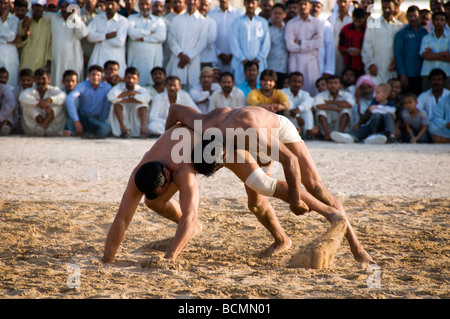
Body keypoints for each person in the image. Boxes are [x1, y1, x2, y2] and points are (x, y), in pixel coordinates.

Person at [165, 104, 374, 267]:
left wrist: (295, 201)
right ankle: (282, 240)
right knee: (256, 203)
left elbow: (290, 160)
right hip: (245, 140)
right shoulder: (202, 123)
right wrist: (166, 144)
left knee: (314, 185)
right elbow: (174, 109)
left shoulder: (247, 132)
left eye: (222, 164)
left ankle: (357, 248)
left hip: (276, 130)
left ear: (225, 155)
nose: (224, 167)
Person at [330, 83, 395, 144]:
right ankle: (348, 136)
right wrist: (385, 109)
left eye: (378, 93)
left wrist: (378, 107)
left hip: (383, 129)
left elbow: (392, 110)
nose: (375, 95)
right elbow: (373, 110)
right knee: (363, 130)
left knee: (387, 115)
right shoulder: (374, 101)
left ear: (385, 94)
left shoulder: (390, 103)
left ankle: (381, 136)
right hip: (371, 126)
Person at [166, 0, 208, 91]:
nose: (192, 2)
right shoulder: (177, 19)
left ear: (198, 3)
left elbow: (202, 43)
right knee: (176, 87)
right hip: (177, 59)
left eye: (195, 0)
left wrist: (187, 57)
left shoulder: (203, 21)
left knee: (192, 87)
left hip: (193, 60)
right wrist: (180, 55)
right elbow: (172, 39)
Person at [285, 0, 323, 96]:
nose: (303, 7)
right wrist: (309, 42)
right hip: (295, 60)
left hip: (311, 61)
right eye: (300, 4)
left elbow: (318, 42)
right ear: (297, 5)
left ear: (310, 6)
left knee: (312, 87)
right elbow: (290, 46)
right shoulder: (291, 23)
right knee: (295, 87)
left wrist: (300, 42)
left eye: (305, 4)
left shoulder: (317, 23)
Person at [361, 0, 403, 84]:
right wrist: (370, 64)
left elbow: (401, 49)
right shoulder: (372, 23)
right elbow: (366, 46)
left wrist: (396, 61)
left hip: (391, 69)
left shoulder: (399, 26)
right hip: (375, 68)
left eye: (389, 8)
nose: (386, 10)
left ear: (394, 8)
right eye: (384, 8)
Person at [229, 0, 270, 86]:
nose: (250, 5)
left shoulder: (263, 22)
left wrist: (258, 59)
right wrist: (243, 59)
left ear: (257, 4)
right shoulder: (237, 22)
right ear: (244, 4)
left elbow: (266, 43)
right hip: (240, 62)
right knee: (240, 87)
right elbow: (234, 42)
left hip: (258, 63)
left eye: (253, 3)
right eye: (248, 2)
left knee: (259, 87)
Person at [65, 64, 112, 138]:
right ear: (88, 76)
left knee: (105, 128)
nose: (95, 77)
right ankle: (71, 131)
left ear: (101, 76)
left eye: (98, 75)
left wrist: (103, 121)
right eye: (93, 75)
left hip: (95, 119)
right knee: (73, 107)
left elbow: (106, 107)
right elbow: (70, 98)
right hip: (81, 117)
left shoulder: (107, 88)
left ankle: (89, 135)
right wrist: (77, 122)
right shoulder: (82, 86)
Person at [127, 0, 167, 86]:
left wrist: (142, 38)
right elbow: (131, 33)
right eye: (142, 4)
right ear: (138, 5)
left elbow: (161, 36)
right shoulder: (132, 18)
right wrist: (149, 32)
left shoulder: (158, 21)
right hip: (136, 57)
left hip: (153, 58)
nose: (144, 7)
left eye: (147, 4)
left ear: (151, 5)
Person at [50, 0, 89, 89]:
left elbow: (83, 33)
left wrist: (75, 16)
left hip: (73, 60)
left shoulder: (76, 20)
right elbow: (41, 13)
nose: (64, 9)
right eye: (62, 7)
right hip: (58, 60)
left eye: (67, 6)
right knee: (58, 83)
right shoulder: (55, 19)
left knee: (74, 83)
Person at [19, 68, 67, 136]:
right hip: (34, 128)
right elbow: (22, 97)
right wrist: (39, 103)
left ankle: (44, 125)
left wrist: (49, 100)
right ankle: (41, 127)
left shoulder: (54, 89)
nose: (41, 81)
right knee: (27, 105)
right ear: (34, 80)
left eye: (43, 79)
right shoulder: (30, 91)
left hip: (52, 127)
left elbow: (63, 96)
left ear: (48, 80)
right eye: (38, 79)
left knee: (59, 106)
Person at [87, 0, 128, 78]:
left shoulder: (123, 21)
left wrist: (99, 40)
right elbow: (90, 37)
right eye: (108, 4)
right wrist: (106, 36)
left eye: (112, 4)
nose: (109, 7)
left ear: (118, 6)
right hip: (98, 58)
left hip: (116, 58)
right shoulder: (98, 18)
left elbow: (119, 41)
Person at [107, 67, 151, 138]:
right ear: (124, 78)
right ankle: (123, 130)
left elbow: (146, 99)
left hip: (135, 116)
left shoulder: (141, 89)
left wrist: (130, 96)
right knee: (116, 104)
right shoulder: (117, 87)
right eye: (128, 78)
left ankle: (143, 130)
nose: (130, 80)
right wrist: (129, 93)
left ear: (138, 80)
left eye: (133, 78)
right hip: (122, 115)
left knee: (143, 105)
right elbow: (111, 97)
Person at [394, 5, 429, 96]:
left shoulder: (425, 33)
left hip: (422, 73)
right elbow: (399, 55)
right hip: (408, 74)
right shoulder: (402, 34)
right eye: (410, 16)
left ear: (419, 16)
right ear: (407, 17)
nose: (412, 18)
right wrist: (402, 74)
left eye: (415, 16)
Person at [314, 75, 354, 140]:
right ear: (327, 85)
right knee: (321, 111)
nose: (333, 85)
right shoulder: (321, 95)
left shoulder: (346, 94)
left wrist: (329, 102)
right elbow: (318, 105)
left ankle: (340, 134)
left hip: (339, 124)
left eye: (335, 83)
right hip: (328, 124)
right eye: (330, 83)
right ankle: (326, 134)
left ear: (340, 85)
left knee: (346, 110)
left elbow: (349, 104)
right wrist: (336, 108)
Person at [207, 0, 243, 73]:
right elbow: (209, 38)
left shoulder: (238, 14)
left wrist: (233, 53)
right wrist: (219, 53)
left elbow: (241, 37)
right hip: (216, 57)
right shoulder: (211, 14)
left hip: (235, 57)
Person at [18, 0, 52, 74]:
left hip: (42, 62)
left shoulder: (48, 25)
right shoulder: (23, 23)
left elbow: (49, 44)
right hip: (26, 62)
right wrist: (25, 35)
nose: (38, 9)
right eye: (36, 6)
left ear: (44, 8)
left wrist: (49, 60)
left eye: (40, 7)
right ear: (32, 7)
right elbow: (18, 44)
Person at [419, 11, 450, 90]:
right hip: (428, 74)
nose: (439, 22)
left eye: (442, 20)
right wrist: (444, 53)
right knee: (427, 98)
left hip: (446, 74)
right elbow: (426, 56)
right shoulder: (426, 38)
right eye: (437, 20)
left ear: (445, 22)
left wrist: (432, 55)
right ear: (432, 21)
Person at [282, 71, 317, 139]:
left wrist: (298, 110)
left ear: (302, 84)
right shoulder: (282, 92)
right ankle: (296, 132)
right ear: (289, 82)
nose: (296, 84)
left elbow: (308, 104)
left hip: (300, 119)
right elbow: (289, 107)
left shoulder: (305, 94)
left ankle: (308, 132)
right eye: (294, 81)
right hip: (289, 118)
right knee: (287, 111)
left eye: (299, 82)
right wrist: (298, 116)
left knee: (307, 110)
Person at [310, 0, 335, 78]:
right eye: (313, 6)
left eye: (318, 7)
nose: (315, 9)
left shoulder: (326, 25)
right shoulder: (300, 23)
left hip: (320, 66)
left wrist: (328, 70)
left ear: (321, 9)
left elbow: (330, 48)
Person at [338, 8, 366, 77]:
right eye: (355, 20)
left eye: (359, 20)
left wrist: (360, 51)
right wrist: (346, 50)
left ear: (364, 19)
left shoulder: (368, 30)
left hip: (363, 64)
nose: (357, 22)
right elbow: (340, 45)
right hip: (349, 63)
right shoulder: (345, 29)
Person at [328, 0, 353, 77]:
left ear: (349, 2)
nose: (342, 4)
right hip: (333, 54)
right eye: (340, 2)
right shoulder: (331, 18)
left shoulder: (352, 19)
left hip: (349, 55)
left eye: (345, 2)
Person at [267, 3, 289, 89]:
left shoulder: (287, 28)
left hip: (284, 67)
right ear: (271, 14)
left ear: (284, 15)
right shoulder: (267, 28)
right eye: (275, 13)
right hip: (271, 65)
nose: (277, 16)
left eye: (280, 13)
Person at [0, 0, 20, 87]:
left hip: (9, 53)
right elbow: (9, 37)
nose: (2, 6)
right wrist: (6, 39)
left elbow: (11, 37)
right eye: (0, 3)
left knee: (11, 79)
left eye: (4, 3)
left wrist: (4, 21)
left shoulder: (14, 20)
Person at [198, 0, 218, 69]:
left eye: (206, 5)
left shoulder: (212, 22)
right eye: (201, 4)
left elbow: (210, 40)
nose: (203, 7)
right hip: (193, 59)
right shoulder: (190, 20)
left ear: (209, 7)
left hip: (207, 59)